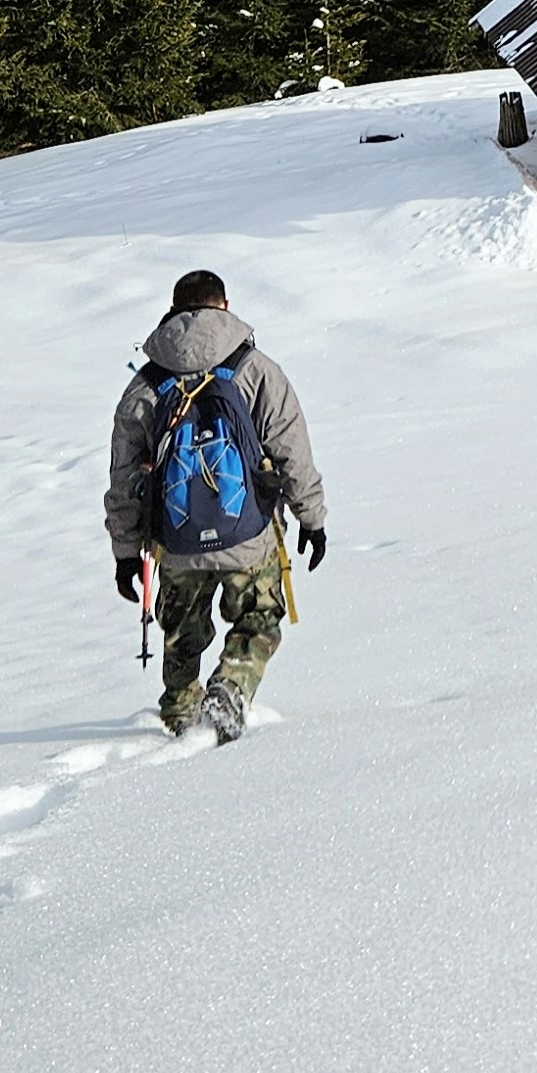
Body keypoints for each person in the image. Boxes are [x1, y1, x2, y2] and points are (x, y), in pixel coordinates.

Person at [107, 268, 328, 741]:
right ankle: (231, 685)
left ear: (173, 311)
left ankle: (179, 718)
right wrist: (311, 519)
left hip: (177, 540)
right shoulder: (256, 369)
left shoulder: (146, 384)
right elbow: (291, 447)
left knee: (181, 632)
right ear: (223, 307)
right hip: (250, 535)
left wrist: (126, 553)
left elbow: (124, 479)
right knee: (258, 616)